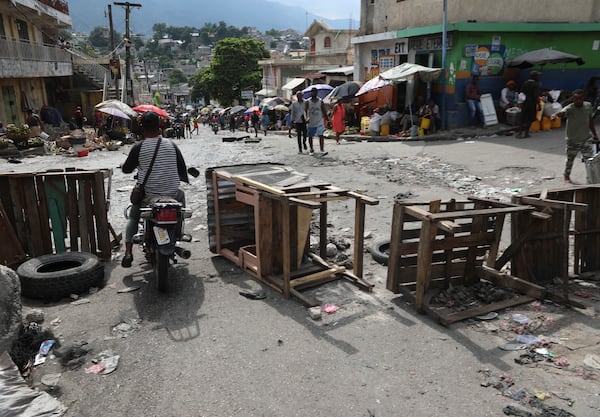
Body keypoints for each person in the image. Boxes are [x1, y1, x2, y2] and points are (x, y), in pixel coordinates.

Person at [120, 111, 190, 268]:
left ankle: (128, 251)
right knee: (182, 199)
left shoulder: (139, 147)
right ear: (159, 126)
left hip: (149, 196)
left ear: (142, 128)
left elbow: (126, 170)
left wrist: (127, 165)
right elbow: (181, 169)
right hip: (172, 194)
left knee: (133, 216)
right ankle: (179, 231)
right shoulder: (172, 145)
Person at [552, 89, 599, 183]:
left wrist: (595, 135)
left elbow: (590, 121)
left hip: (586, 139)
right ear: (573, 99)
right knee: (570, 160)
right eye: (575, 99)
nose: (577, 101)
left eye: (579, 99)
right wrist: (557, 115)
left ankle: (591, 178)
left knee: (589, 160)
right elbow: (562, 113)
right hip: (572, 140)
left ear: (583, 98)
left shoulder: (588, 106)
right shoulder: (570, 108)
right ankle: (566, 175)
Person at [517, 71, 542, 138]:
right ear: (534, 77)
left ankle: (520, 133)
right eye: (537, 76)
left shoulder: (525, 83)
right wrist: (539, 104)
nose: (539, 77)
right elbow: (535, 96)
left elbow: (521, 93)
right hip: (532, 103)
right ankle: (526, 133)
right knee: (530, 118)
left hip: (525, 103)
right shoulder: (536, 84)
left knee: (523, 118)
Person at [304, 87, 329, 155]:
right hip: (311, 122)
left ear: (316, 93)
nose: (313, 93)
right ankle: (311, 149)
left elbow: (324, 111)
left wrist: (327, 119)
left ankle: (322, 149)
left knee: (321, 135)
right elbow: (305, 111)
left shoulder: (320, 101)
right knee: (310, 136)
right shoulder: (307, 102)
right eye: (312, 92)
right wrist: (306, 118)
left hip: (319, 121)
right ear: (311, 93)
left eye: (315, 92)